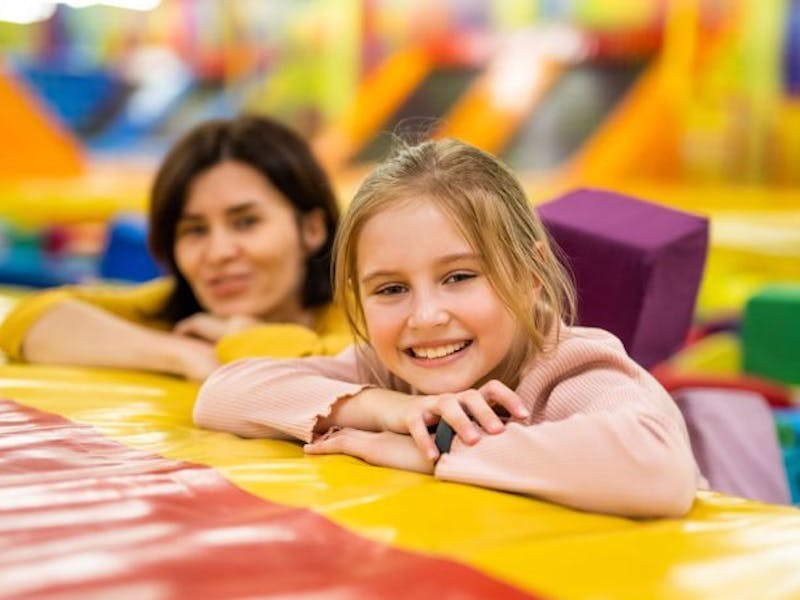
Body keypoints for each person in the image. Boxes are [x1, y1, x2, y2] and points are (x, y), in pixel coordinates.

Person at [193, 138, 701, 517]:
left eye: (458, 277)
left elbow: (659, 469)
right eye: (390, 289)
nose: (426, 316)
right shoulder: (388, 372)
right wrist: (386, 407)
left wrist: (434, 450)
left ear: (530, 275)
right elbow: (221, 394)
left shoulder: (570, 367)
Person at [0, 115, 351, 380]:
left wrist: (242, 338)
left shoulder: (362, 310)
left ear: (312, 229)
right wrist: (181, 354)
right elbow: (30, 319)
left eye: (246, 222)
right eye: (194, 230)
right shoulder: (179, 314)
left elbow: (346, 368)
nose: (218, 252)